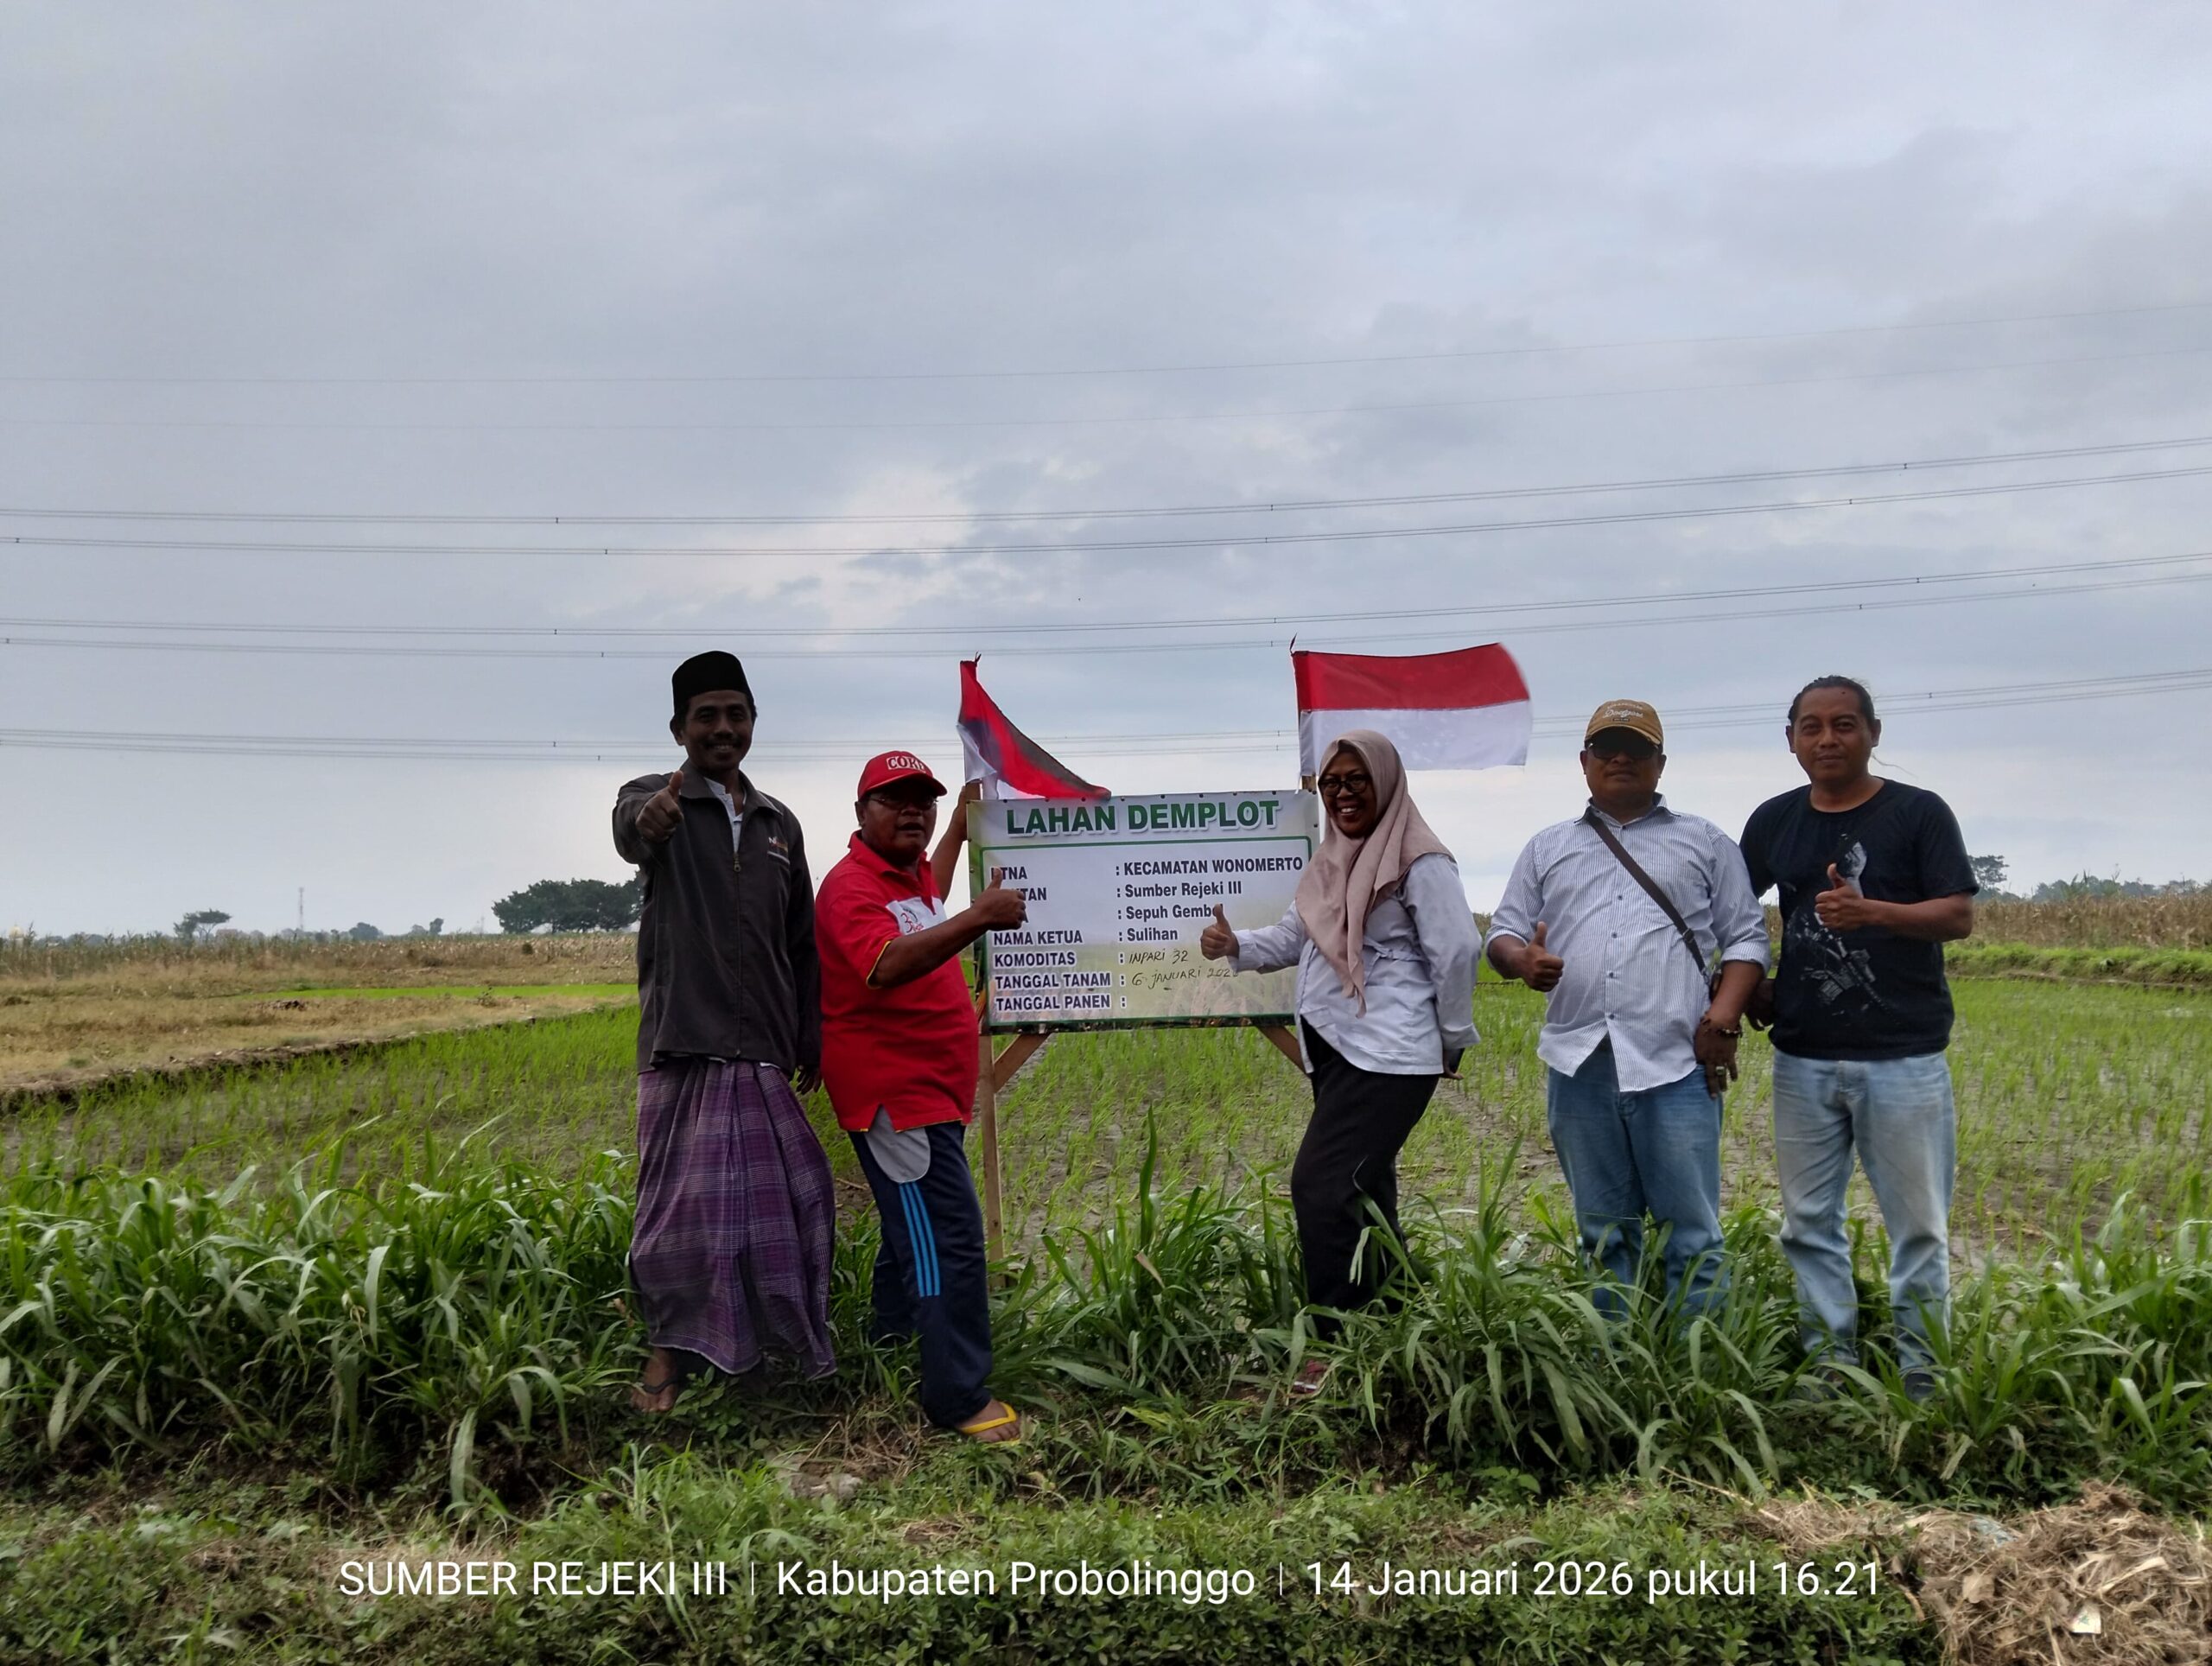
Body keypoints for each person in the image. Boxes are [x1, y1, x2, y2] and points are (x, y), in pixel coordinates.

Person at [1199, 731, 1479, 1387]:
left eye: (1357, 780)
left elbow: (1458, 950)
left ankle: (1334, 1343)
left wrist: (1452, 1035)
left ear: (1387, 782)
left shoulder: (1420, 861)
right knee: (1366, 1190)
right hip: (1339, 1050)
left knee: (1320, 1188)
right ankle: (1403, 1320)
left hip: (1390, 1055)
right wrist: (1234, 943)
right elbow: (1297, 936)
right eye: (1333, 783)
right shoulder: (1334, 859)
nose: (1344, 793)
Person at [1485, 700, 1769, 1319]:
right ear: (1584, 763)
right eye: (1607, 748)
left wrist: (1722, 1019)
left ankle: (1699, 1375)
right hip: (1579, 1063)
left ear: (1660, 764)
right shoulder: (1547, 847)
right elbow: (1502, 934)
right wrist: (1522, 962)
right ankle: (1615, 1364)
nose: (1620, 758)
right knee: (1603, 1236)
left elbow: (1747, 938)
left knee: (1692, 1237)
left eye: (1636, 749)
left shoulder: (1706, 842)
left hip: (1676, 1066)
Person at [1739, 675, 1976, 1399]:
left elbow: (1958, 915)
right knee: (1809, 1224)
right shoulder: (1774, 822)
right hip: (1803, 1058)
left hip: (1903, 1058)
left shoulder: (1918, 813)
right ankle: (1829, 1372)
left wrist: (1874, 914)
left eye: (1844, 725)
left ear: (1874, 733)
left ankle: (1923, 1378)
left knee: (1919, 1231)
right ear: (1790, 740)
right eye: (1811, 727)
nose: (1828, 740)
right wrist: (1755, 984)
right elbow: (1726, 912)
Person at [610, 652, 834, 1413]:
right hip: (684, 1042)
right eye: (706, 716)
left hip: (765, 1050)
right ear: (679, 728)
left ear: (753, 723)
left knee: (788, 1210)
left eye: (735, 714)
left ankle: (768, 1360)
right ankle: (667, 1358)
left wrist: (810, 1033)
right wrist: (655, 820)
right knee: (675, 1221)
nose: (722, 729)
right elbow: (631, 832)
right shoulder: (652, 798)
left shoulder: (779, 824)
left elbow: (800, 943)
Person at [815, 754, 1028, 1443]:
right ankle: (957, 1396)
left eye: (924, 800)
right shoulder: (850, 888)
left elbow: (922, 905)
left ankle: (890, 1341)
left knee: (912, 1231)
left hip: (933, 1096)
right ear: (860, 814)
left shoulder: (903, 882)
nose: (912, 810)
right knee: (949, 1240)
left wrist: (961, 831)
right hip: (896, 1100)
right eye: (894, 800)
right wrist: (979, 917)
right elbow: (885, 963)